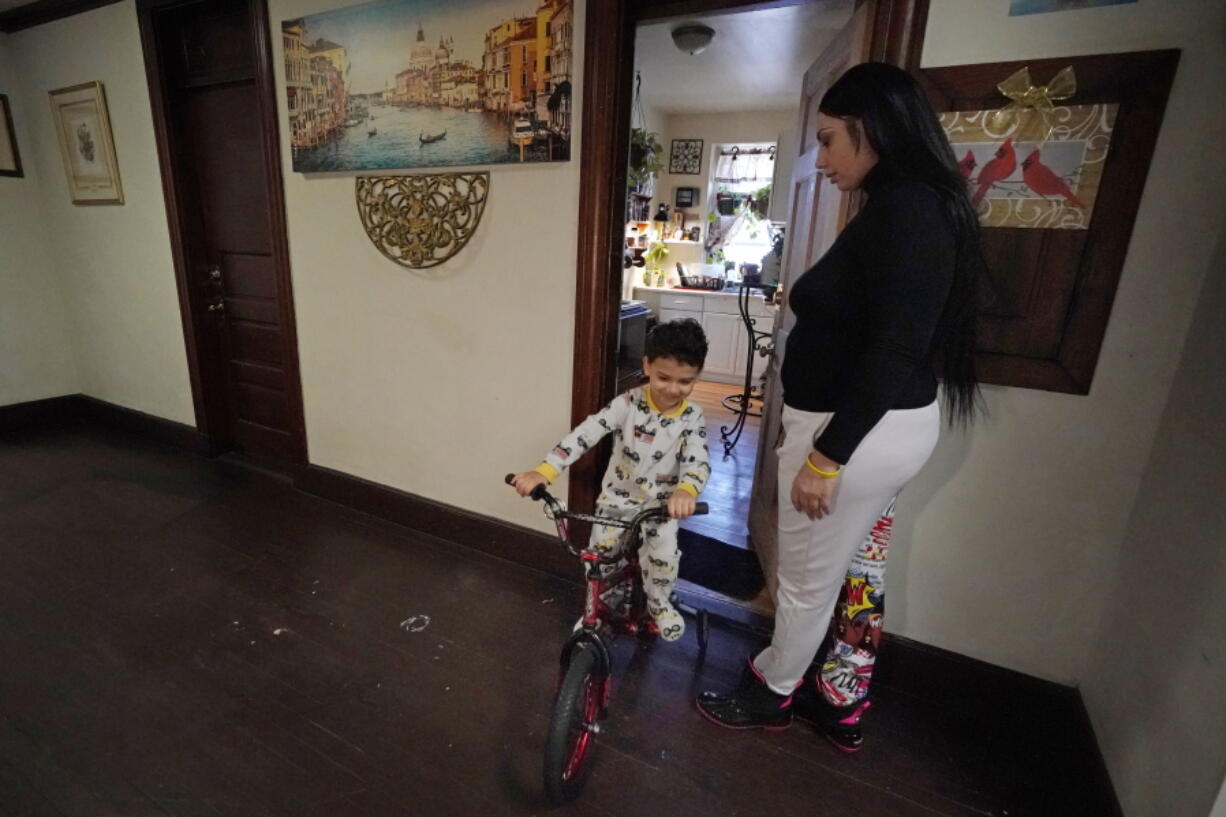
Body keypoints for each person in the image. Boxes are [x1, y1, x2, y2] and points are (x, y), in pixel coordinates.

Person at [696, 62, 984, 751]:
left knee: (803, 579)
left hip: (848, 436)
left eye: (828, 140)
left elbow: (895, 349)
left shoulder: (911, 210)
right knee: (854, 569)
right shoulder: (907, 205)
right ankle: (837, 696)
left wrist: (826, 457)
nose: (819, 158)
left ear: (874, 129)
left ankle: (772, 690)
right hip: (871, 433)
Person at [510, 319, 712, 641]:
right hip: (617, 501)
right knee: (598, 563)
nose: (673, 389)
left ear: (697, 375)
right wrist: (544, 471)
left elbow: (697, 459)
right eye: (663, 377)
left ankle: (659, 604)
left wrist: (687, 489)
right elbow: (585, 434)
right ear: (646, 365)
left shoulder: (692, 418)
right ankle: (599, 610)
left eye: (685, 382)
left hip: (661, 508)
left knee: (662, 558)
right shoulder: (627, 404)